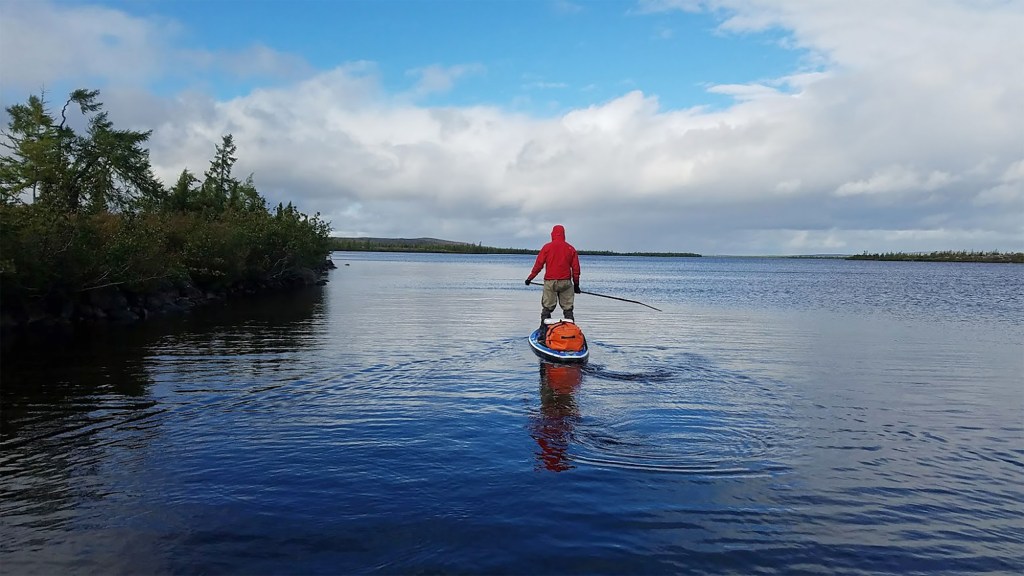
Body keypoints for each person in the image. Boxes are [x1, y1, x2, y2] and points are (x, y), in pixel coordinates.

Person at [525, 224, 581, 330]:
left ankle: (543, 331)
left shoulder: (547, 247)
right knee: (568, 309)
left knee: (547, 307)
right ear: (564, 234)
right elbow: (576, 269)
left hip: (550, 282)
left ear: (552, 234)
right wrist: (576, 285)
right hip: (566, 283)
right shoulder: (570, 248)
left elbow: (538, 265)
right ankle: (571, 332)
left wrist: (530, 278)